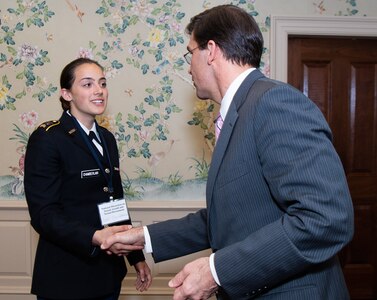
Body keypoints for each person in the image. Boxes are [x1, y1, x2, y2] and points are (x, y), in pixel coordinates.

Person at [101, 4, 354, 300]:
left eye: (189, 52)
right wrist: (143, 238)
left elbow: (325, 218)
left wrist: (216, 271)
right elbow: (230, 217)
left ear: (210, 51)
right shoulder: (240, 111)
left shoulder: (274, 103)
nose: (188, 66)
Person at [24, 57, 152, 300]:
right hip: (66, 276)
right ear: (67, 94)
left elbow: (115, 202)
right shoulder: (48, 139)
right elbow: (44, 215)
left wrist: (136, 257)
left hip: (107, 274)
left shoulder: (107, 138)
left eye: (102, 84)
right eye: (87, 84)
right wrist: (94, 236)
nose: (99, 91)